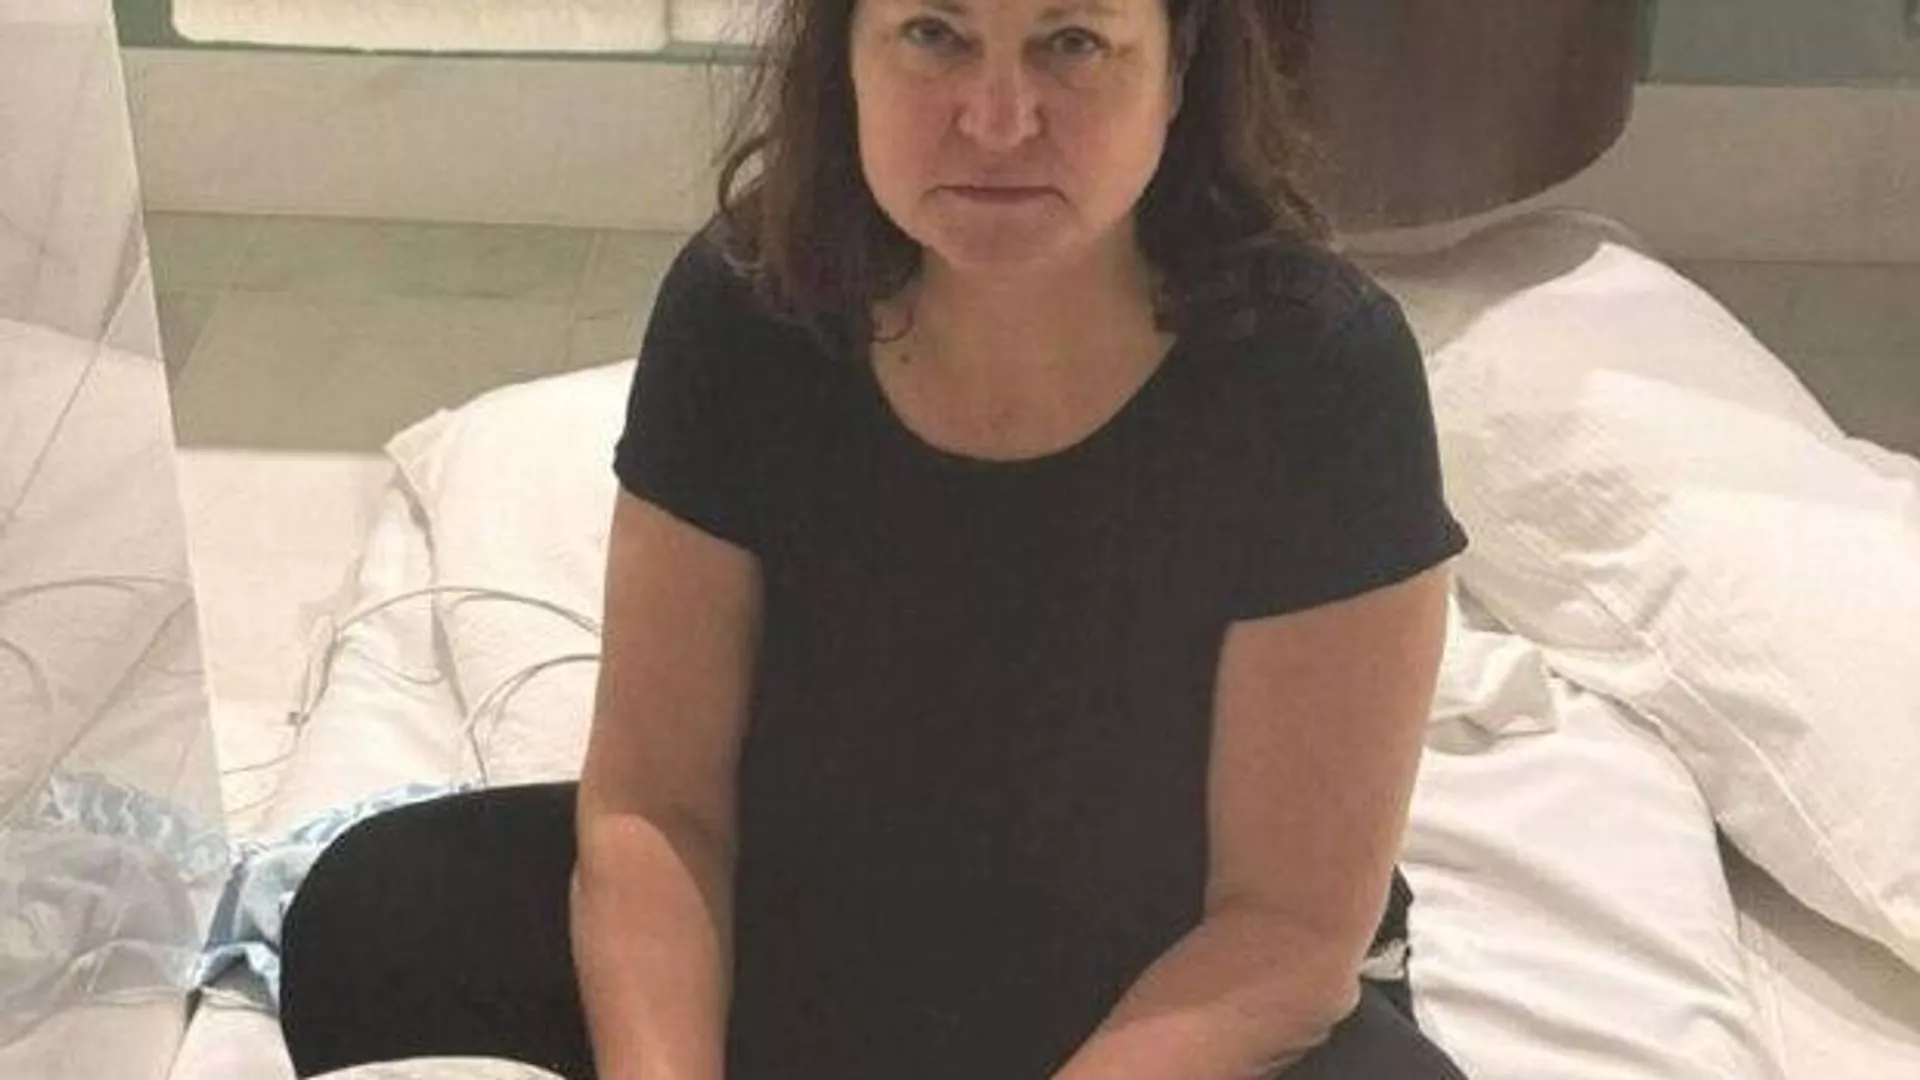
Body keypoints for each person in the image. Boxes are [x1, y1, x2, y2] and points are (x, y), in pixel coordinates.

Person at [278, 1, 1471, 1078]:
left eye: (1072, 43)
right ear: (843, 54)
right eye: (934, 35)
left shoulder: (1318, 373)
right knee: (373, 920)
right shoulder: (751, 302)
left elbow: (1284, 929)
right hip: (811, 900)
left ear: (1177, 64)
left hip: (1171, 975)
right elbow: (656, 805)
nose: (997, 121)